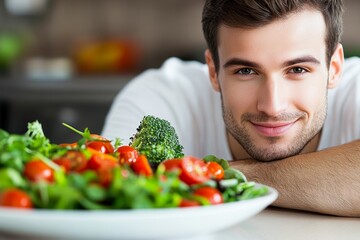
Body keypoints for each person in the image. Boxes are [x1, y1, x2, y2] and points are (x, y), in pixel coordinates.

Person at [102, 0, 360, 217]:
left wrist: (213, 174)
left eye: (298, 70)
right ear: (213, 71)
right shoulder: (160, 95)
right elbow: (113, 189)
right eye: (246, 71)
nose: (272, 106)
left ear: (334, 68)